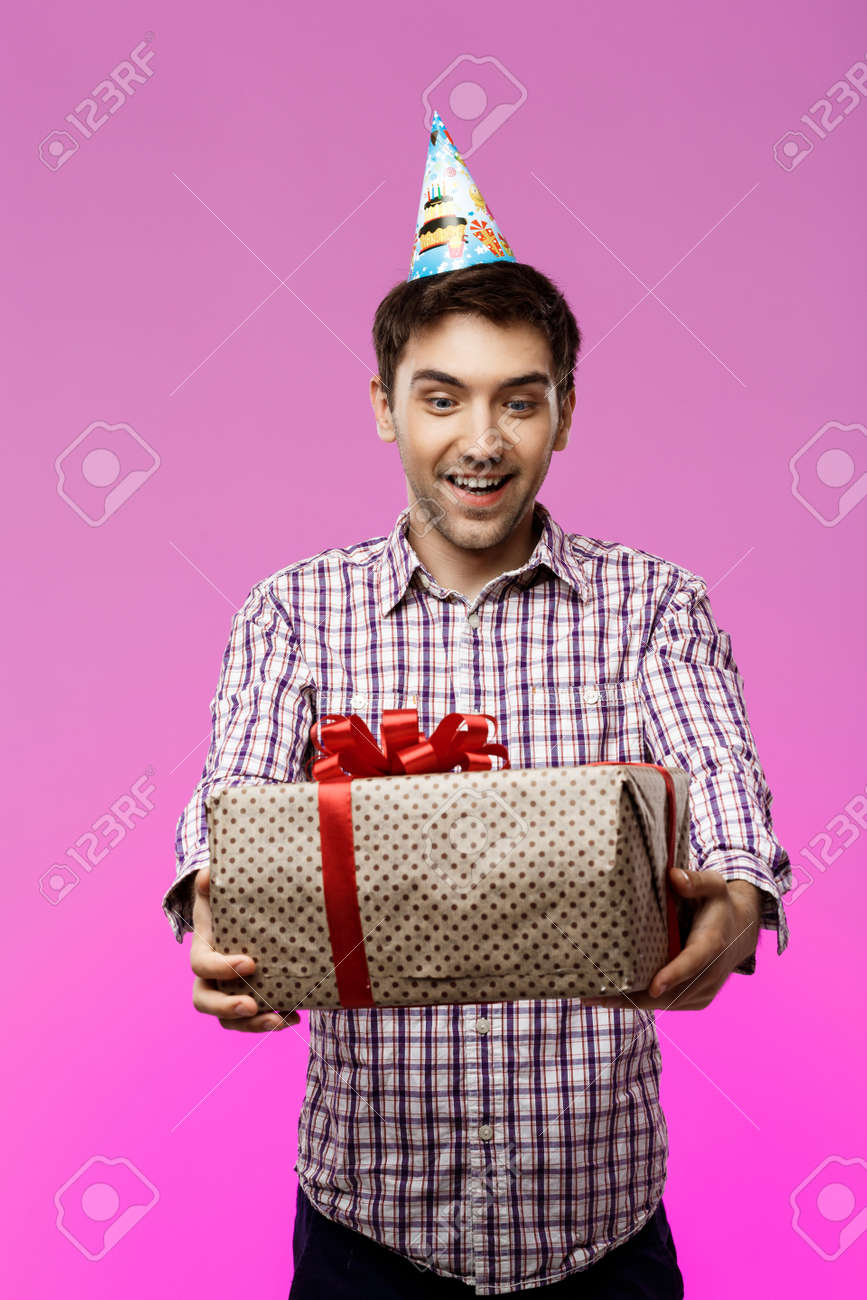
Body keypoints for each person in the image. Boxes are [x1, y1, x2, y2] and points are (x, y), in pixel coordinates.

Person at [161, 113, 791, 1297]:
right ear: (385, 405)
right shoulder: (293, 612)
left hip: (601, 1234)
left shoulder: (653, 604)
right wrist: (209, 906)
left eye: (520, 400)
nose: (482, 441)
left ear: (566, 411)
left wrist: (740, 897)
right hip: (367, 1232)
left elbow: (720, 779)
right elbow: (232, 806)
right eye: (442, 398)